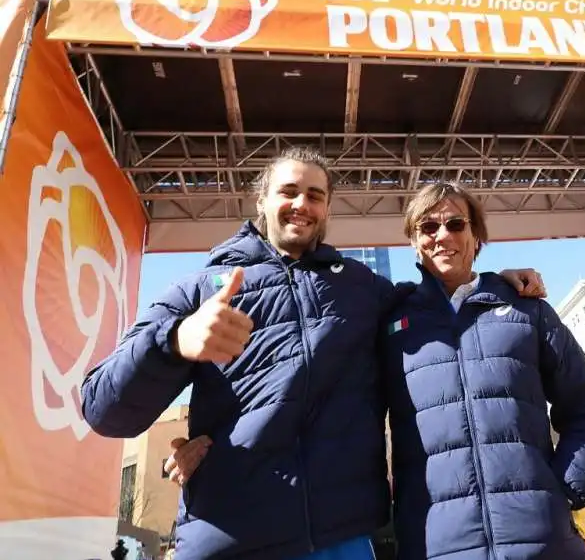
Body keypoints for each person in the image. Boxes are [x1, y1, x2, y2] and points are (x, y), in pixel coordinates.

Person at [81, 147, 545, 560]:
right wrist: (175, 341)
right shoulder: (200, 289)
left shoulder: (363, 288)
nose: (302, 204)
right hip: (230, 535)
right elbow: (103, 407)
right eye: (289, 191)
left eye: (315, 195)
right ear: (261, 200)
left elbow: (441, 298)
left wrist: (497, 282)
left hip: (340, 538)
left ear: (327, 210)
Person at [380, 182, 585, 560]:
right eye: (428, 227)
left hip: (543, 540)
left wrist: (568, 487)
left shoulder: (529, 311)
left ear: (476, 238)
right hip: (437, 547)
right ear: (414, 241)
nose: (442, 236)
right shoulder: (388, 322)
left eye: (455, 224)